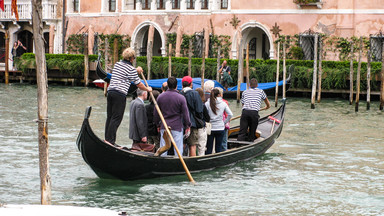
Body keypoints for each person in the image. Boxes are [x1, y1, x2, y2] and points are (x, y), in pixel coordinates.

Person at [105, 47, 152, 145]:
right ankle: (110, 141)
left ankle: (107, 139)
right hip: (119, 94)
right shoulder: (131, 69)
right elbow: (138, 84)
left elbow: (126, 71)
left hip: (110, 92)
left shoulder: (117, 64)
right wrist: (148, 89)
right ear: (131, 59)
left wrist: (136, 70)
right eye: (134, 58)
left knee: (110, 116)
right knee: (117, 118)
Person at [154, 76, 191, 156]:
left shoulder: (160, 97)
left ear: (168, 85)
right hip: (177, 126)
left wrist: (158, 124)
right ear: (176, 86)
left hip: (164, 125)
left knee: (163, 148)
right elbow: (185, 113)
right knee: (178, 149)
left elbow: (156, 113)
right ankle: (178, 164)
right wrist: (188, 125)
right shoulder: (181, 98)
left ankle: (163, 164)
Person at [180, 76, 205, 157]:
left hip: (181, 123)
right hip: (192, 123)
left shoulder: (179, 94)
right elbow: (199, 110)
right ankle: (192, 164)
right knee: (192, 145)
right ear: (191, 84)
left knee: (182, 144)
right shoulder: (195, 94)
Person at [205, 88, 233, 154]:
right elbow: (230, 114)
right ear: (219, 95)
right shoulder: (223, 103)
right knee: (218, 148)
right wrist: (224, 122)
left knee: (209, 148)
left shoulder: (207, 104)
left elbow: (205, 115)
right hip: (220, 127)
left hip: (210, 128)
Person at [195, 88, 210, 156]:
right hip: (201, 127)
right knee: (202, 147)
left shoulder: (191, 104)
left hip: (193, 127)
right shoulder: (202, 105)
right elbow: (207, 118)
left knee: (192, 146)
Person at [215, 87, 230, 152]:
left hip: (214, 125)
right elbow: (228, 115)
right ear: (220, 94)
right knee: (224, 142)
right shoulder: (224, 102)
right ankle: (224, 152)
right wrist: (226, 122)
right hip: (222, 125)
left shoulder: (210, 102)